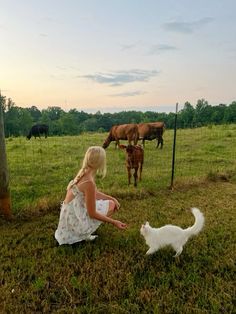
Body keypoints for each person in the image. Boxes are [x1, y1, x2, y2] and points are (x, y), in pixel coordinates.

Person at [55, 146, 127, 245]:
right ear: (100, 162)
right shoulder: (89, 182)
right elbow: (92, 214)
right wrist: (114, 222)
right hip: (75, 219)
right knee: (111, 205)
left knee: (111, 202)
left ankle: (82, 231)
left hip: (70, 216)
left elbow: (94, 193)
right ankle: (83, 233)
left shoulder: (84, 172)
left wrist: (112, 198)